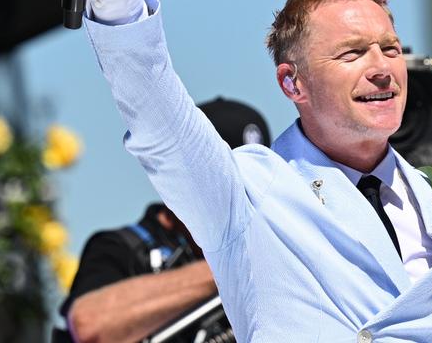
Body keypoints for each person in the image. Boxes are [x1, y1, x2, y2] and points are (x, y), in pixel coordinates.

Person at [49, 0, 432, 342]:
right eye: (352, 53)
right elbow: (161, 122)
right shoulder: (250, 193)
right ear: (293, 84)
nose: (382, 67)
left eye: (389, 49)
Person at [52, 98, 270, 343]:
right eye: (226, 185)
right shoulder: (120, 249)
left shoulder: (270, 256)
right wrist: (228, 266)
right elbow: (89, 325)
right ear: (181, 178)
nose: (243, 200)